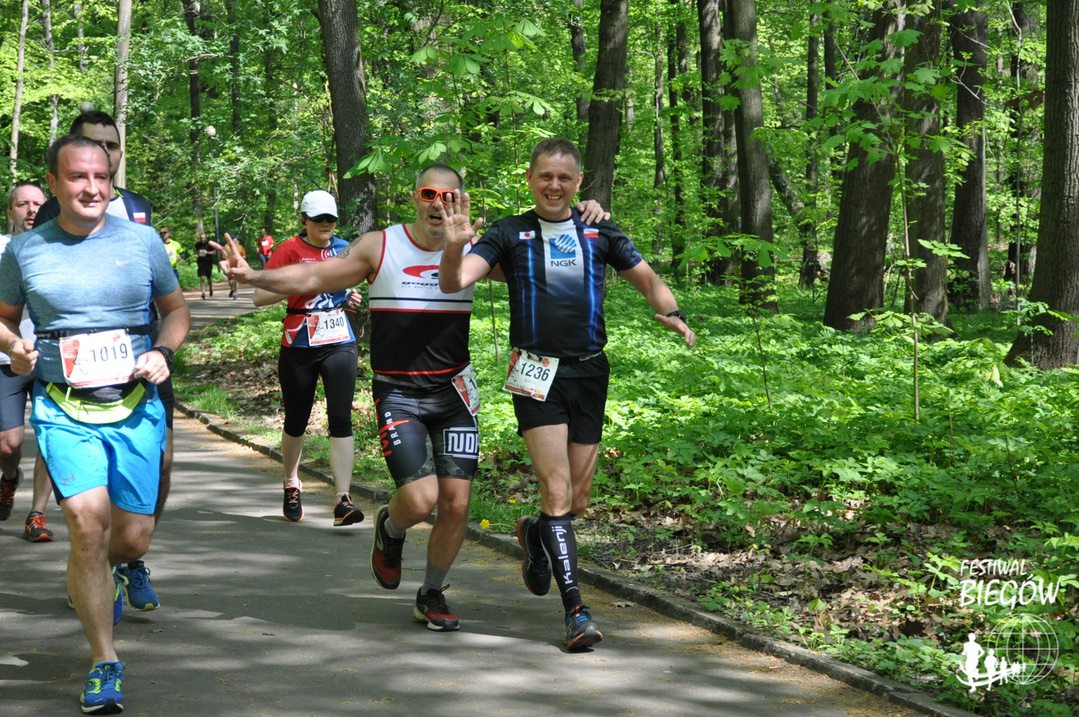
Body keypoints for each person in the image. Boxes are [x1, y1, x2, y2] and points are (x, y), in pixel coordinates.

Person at [215, 168, 610, 632]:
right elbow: (314, 275)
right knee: (421, 501)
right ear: (415, 198)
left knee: (457, 504)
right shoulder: (381, 245)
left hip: (454, 393)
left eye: (449, 195)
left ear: (460, 200)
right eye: (429, 193)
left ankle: (432, 592)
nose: (439, 203)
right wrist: (253, 274)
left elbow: (550, 257)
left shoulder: (475, 248)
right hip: (399, 392)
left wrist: (582, 212)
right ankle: (391, 526)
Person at [439, 138, 696, 651]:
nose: (554, 185)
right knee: (556, 492)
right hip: (536, 372)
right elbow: (455, 280)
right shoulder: (509, 232)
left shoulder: (599, 230)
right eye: (545, 176)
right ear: (530, 179)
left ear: (579, 182)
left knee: (575, 502)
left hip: (590, 371)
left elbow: (648, 280)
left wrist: (672, 312)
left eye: (564, 177)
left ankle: (536, 532)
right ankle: (576, 612)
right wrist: (453, 244)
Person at [0, 134, 189, 714]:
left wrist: (163, 350)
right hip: (62, 406)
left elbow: (176, 310)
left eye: (101, 177)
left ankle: (107, 575)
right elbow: (2, 318)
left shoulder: (141, 241)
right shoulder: (25, 250)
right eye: (78, 177)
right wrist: (14, 348)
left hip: (134, 406)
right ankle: (104, 660)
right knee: (87, 527)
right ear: (54, 184)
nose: (91, 188)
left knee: (130, 539)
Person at [37, 108, 171, 612]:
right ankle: (93, 559)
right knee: (89, 514)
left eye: (111, 147)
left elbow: (164, 290)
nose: (104, 155)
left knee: (162, 466)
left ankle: (130, 557)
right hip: (74, 376)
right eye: (93, 145)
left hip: (143, 359)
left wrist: (161, 348)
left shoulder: (138, 209)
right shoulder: (52, 215)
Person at [242, 190, 364, 527]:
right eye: (318, 218)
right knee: (297, 418)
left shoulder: (345, 249)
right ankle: (292, 482)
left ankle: (342, 499)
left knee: (341, 417)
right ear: (304, 220)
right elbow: (259, 296)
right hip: (299, 341)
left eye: (330, 218)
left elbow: (350, 285)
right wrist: (302, 283)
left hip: (339, 340)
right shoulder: (289, 250)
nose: (326, 224)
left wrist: (348, 296)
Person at [0, 182, 54, 542]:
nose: (31, 210)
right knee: (8, 443)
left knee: (52, 437)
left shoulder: (60, 246)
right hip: (7, 358)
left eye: (37, 203)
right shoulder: (1, 249)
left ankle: (37, 514)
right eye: (22, 204)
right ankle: (9, 478)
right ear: (10, 212)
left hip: (53, 359)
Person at [194, 232, 216, 299]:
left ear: (206, 238)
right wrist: (196, 255)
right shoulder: (197, 244)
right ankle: (203, 292)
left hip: (208, 262)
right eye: (201, 238)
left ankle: (210, 288)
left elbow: (214, 252)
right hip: (200, 263)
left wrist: (207, 252)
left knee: (209, 277)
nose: (202, 239)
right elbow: (196, 252)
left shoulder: (209, 244)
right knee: (202, 278)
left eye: (203, 238)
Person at [225, 233, 246, 299]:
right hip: (230, 265)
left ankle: (235, 292)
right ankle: (232, 289)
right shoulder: (227, 247)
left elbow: (244, 255)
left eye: (236, 239)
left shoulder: (240, 247)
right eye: (234, 239)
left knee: (237, 279)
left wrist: (241, 259)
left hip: (238, 265)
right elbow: (224, 256)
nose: (236, 240)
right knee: (230, 280)